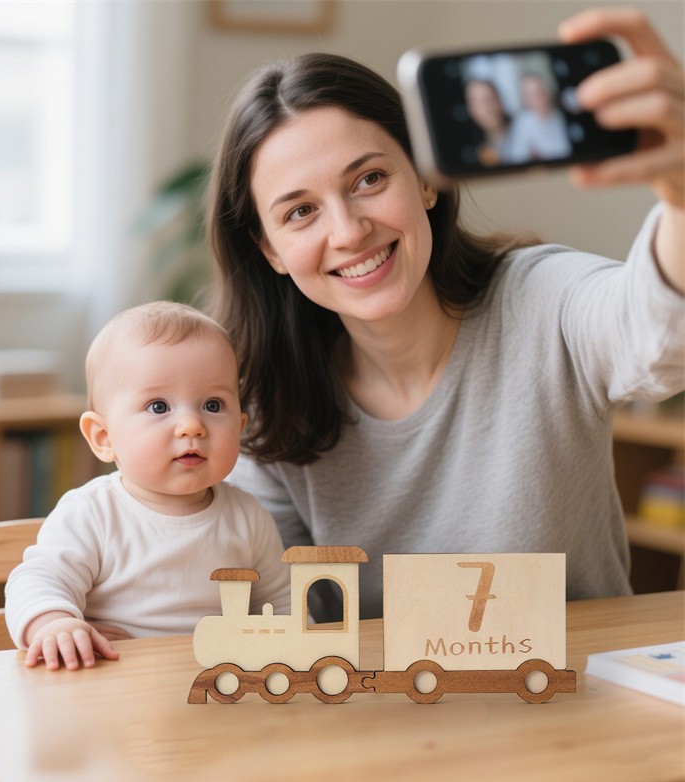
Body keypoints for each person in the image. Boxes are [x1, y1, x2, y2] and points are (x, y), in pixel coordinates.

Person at [208, 7, 685, 622]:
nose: (349, 231)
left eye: (370, 178)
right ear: (269, 250)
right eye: (300, 212)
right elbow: (286, 620)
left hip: (580, 701)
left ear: (427, 181)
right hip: (387, 713)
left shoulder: (541, 299)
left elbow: (660, 338)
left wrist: (680, 192)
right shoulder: (266, 407)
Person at [5, 301, 292, 670]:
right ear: (104, 437)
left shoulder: (248, 517)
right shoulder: (93, 513)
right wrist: (55, 624)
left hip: (217, 692)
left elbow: (280, 604)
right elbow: (38, 579)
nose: (192, 425)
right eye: (159, 407)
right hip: (116, 688)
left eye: (213, 405)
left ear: (240, 425)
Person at [508, 72, 573, 161]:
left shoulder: (561, 115)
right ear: (525, 99)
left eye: (541, 91)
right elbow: (516, 158)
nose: (540, 98)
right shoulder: (522, 123)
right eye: (533, 94)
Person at [463, 78, 515, 165]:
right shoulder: (474, 151)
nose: (489, 108)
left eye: (492, 98)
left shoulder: (524, 128)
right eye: (482, 102)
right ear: (471, 110)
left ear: (500, 100)